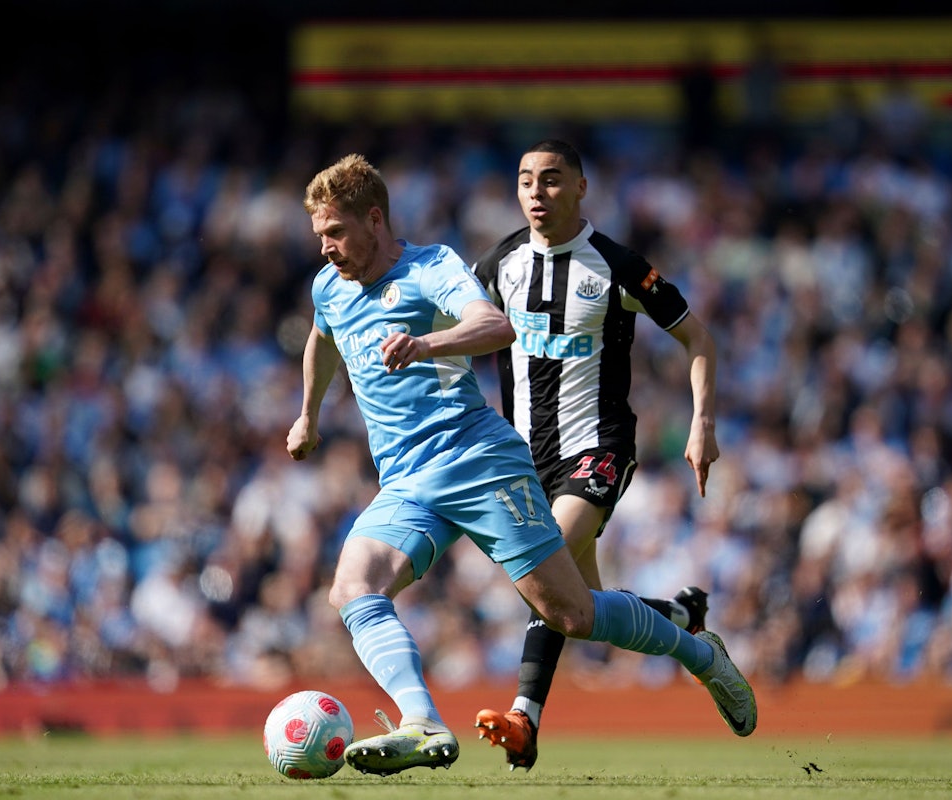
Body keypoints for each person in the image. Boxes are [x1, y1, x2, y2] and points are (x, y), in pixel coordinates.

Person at [286, 153, 756, 777]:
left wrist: (426, 343)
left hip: (479, 460)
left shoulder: (433, 269)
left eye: (336, 233)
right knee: (352, 587)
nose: (327, 249)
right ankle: (421, 722)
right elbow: (322, 337)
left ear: (375, 219)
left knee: (571, 613)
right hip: (406, 480)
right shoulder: (328, 286)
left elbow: (493, 324)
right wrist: (308, 415)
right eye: (319, 236)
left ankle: (700, 657)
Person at [471, 139, 727, 770]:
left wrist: (702, 424)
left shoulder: (617, 265)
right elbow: (462, 329)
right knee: (581, 612)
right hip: (525, 459)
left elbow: (696, 336)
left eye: (553, 180)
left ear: (581, 188)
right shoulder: (500, 262)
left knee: (546, 571)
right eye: (527, 180)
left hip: (599, 447)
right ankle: (679, 614)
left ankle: (524, 720)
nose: (538, 192)